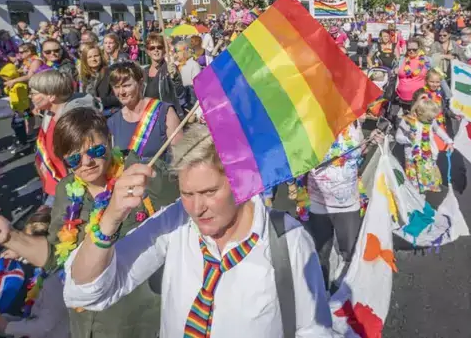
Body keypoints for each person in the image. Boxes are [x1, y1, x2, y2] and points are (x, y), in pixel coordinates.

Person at [62, 132, 333, 337]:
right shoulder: (176, 221)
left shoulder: (288, 240)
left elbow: (313, 330)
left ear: (240, 181)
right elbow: (86, 292)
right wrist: (110, 219)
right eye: (187, 194)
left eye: (209, 193)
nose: (197, 208)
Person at [0, 108, 160, 338]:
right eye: (74, 158)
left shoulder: (146, 176)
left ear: (110, 141)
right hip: (83, 326)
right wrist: (9, 236)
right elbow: (56, 257)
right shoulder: (67, 189)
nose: (87, 162)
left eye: (96, 150)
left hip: (134, 325)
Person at [0, 209, 69, 338]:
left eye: (26, 244)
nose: (22, 252)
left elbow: (44, 327)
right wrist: (8, 320)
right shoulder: (44, 272)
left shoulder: (55, 281)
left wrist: (6, 326)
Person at [305, 121, 367, 289]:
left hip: (348, 203)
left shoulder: (354, 121)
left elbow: (357, 155)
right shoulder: (308, 124)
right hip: (319, 203)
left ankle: (344, 293)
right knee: (320, 254)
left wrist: (367, 143)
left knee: (350, 251)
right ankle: (322, 296)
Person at [30, 70, 98, 207]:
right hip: (54, 184)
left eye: (34, 93)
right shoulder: (49, 114)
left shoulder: (73, 122)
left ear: (51, 96)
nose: (30, 96)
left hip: (72, 189)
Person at [396, 93, 454, 194]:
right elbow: (398, 138)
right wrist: (408, 139)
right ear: (419, 113)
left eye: (433, 118)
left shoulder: (431, 120)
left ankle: (424, 191)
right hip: (413, 157)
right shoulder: (408, 121)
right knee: (414, 180)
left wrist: (448, 140)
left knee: (426, 177)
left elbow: (437, 130)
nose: (431, 120)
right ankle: (415, 195)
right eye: (429, 119)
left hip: (428, 155)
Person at [142, 33, 184, 116]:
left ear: (164, 50)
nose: (156, 50)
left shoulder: (169, 69)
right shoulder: (144, 72)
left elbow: (179, 94)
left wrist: (175, 77)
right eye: (152, 48)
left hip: (166, 115)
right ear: (148, 51)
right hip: (148, 117)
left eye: (159, 47)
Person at [79, 44, 120, 114]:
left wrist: (101, 100)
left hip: (109, 114)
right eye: (89, 57)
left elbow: (120, 96)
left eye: (96, 56)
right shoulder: (84, 77)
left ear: (101, 57)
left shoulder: (110, 73)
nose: (93, 59)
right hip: (90, 116)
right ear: (85, 60)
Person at [175, 40, 201, 110]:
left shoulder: (194, 64)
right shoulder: (175, 65)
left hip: (189, 102)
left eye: (177, 51)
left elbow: (197, 86)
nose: (175, 54)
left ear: (184, 51)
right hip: (177, 101)